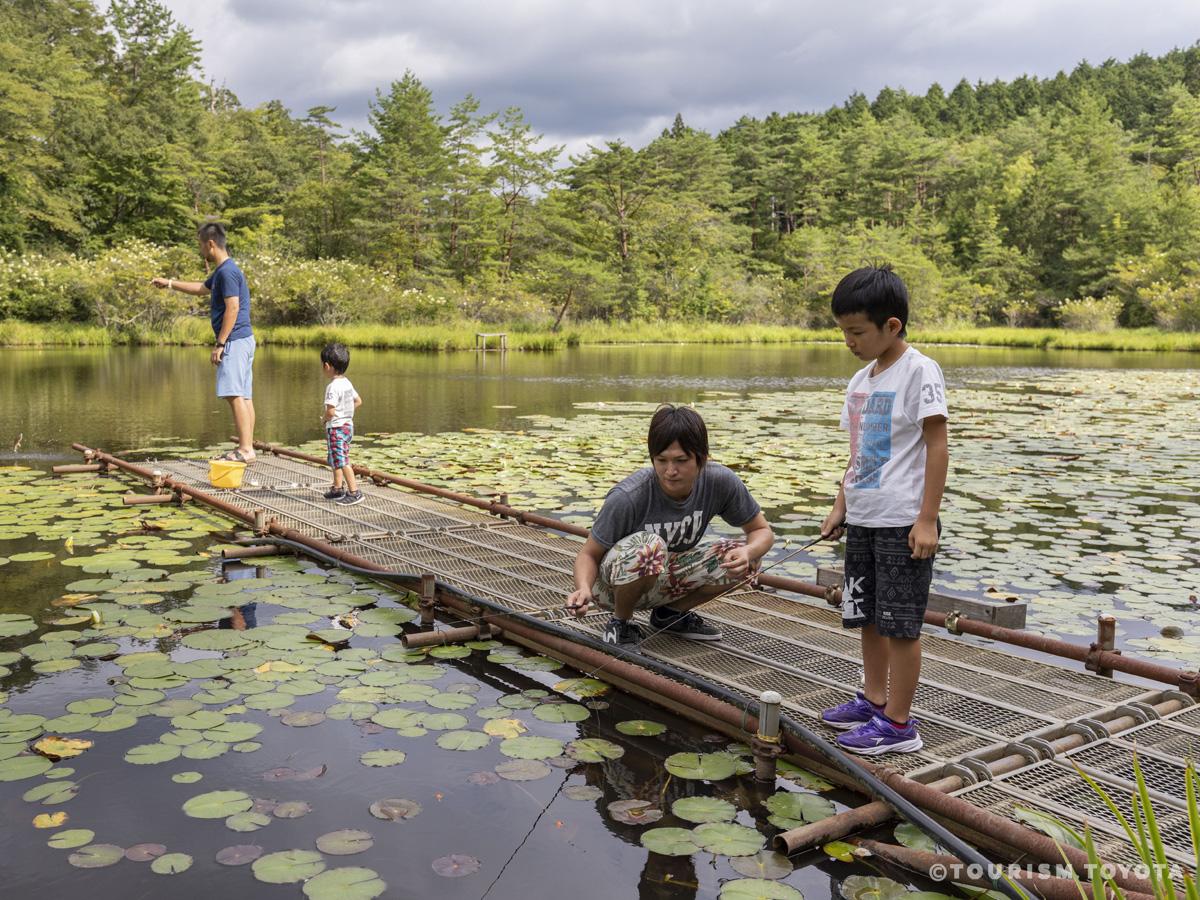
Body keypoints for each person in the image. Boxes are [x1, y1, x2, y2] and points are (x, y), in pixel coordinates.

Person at [819, 265, 949, 755]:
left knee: (900, 623)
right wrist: (840, 506)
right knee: (867, 616)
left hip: (902, 520)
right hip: (865, 517)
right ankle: (874, 700)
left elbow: (938, 446)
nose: (849, 341)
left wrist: (927, 518)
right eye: (844, 332)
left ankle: (898, 724)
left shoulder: (919, 370)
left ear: (891, 326)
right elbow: (858, 452)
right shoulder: (860, 380)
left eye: (857, 332)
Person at [565, 405, 774, 650]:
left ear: (701, 459)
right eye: (661, 461)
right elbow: (588, 554)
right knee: (650, 547)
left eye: (681, 461)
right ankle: (620, 623)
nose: (670, 471)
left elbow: (762, 531)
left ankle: (670, 614)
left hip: (667, 575)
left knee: (745, 555)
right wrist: (583, 589)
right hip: (612, 585)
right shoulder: (629, 496)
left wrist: (749, 552)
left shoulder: (720, 481)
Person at [152, 222, 256, 462]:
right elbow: (201, 288)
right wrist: (169, 283)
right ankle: (247, 446)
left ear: (211, 243)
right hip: (243, 339)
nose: (200, 249)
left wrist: (220, 344)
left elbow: (233, 307)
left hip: (235, 340)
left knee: (234, 394)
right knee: (243, 395)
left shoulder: (228, 272)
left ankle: (246, 449)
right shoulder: (222, 271)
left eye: (200, 244)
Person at [320, 342, 363, 505]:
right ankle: (337, 489)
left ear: (327, 366)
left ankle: (355, 492)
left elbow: (330, 412)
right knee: (335, 458)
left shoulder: (332, 387)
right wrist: (346, 413)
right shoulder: (346, 382)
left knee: (342, 460)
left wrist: (324, 419)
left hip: (337, 428)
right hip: (347, 426)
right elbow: (358, 401)